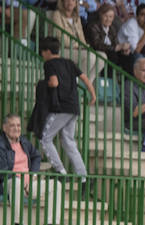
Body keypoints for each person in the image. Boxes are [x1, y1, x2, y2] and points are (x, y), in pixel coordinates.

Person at [35, 35, 96, 179]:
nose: (42, 55)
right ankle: (83, 176)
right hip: (74, 107)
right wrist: (93, 94)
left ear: (47, 51)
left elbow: (54, 83)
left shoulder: (49, 64)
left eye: (42, 52)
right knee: (68, 141)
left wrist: (43, 84)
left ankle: (60, 171)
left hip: (60, 107)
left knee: (44, 137)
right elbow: (84, 78)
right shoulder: (69, 62)